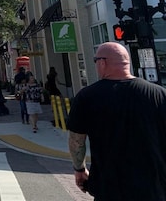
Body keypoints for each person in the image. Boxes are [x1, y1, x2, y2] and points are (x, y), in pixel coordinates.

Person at [67, 42, 166, 201]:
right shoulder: (159, 94)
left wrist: (79, 169)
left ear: (102, 62)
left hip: (109, 187)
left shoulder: (87, 97)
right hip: (154, 187)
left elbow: (76, 141)